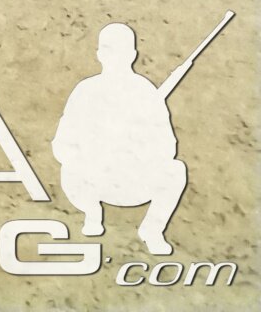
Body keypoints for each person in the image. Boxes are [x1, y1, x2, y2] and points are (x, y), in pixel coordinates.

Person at [54, 22, 192, 256]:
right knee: (69, 168)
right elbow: (61, 144)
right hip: (91, 181)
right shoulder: (85, 90)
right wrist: (90, 154)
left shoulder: (146, 92)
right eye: (108, 49)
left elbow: (168, 147)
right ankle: (92, 213)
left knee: (176, 170)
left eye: (121, 49)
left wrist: (136, 147)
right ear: (99, 54)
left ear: (133, 55)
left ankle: (152, 231)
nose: (114, 56)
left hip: (133, 181)